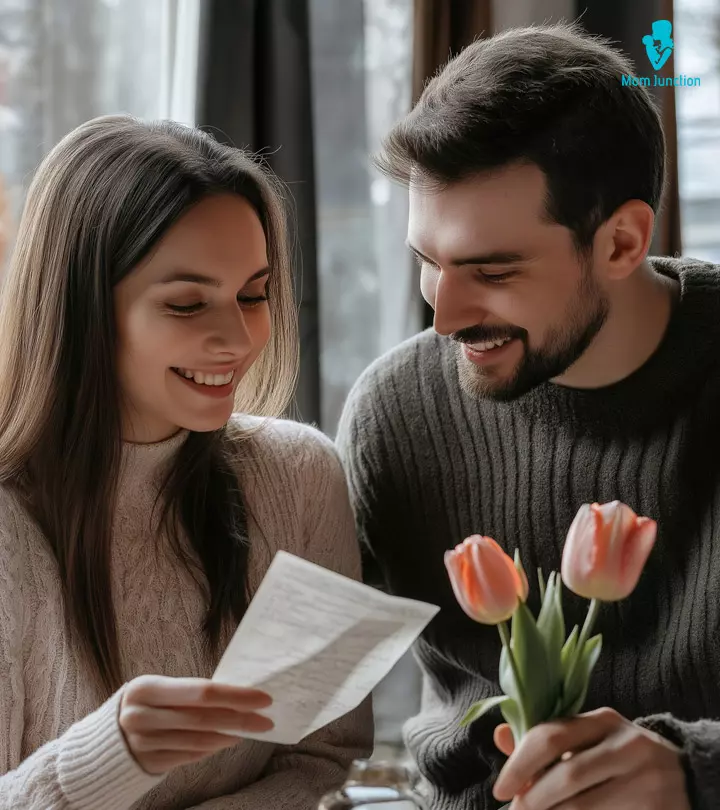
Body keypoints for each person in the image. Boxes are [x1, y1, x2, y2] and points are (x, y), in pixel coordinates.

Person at [336, 22, 720, 810]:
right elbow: (288, 698)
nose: (442, 318)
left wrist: (695, 770)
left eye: (492, 270)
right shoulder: (395, 414)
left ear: (621, 241)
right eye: (427, 263)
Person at [0, 114, 372, 809]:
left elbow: (325, 760)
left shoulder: (301, 479)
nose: (235, 337)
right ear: (84, 310)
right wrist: (107, 756)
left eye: (253, 294)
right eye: (186, 303)